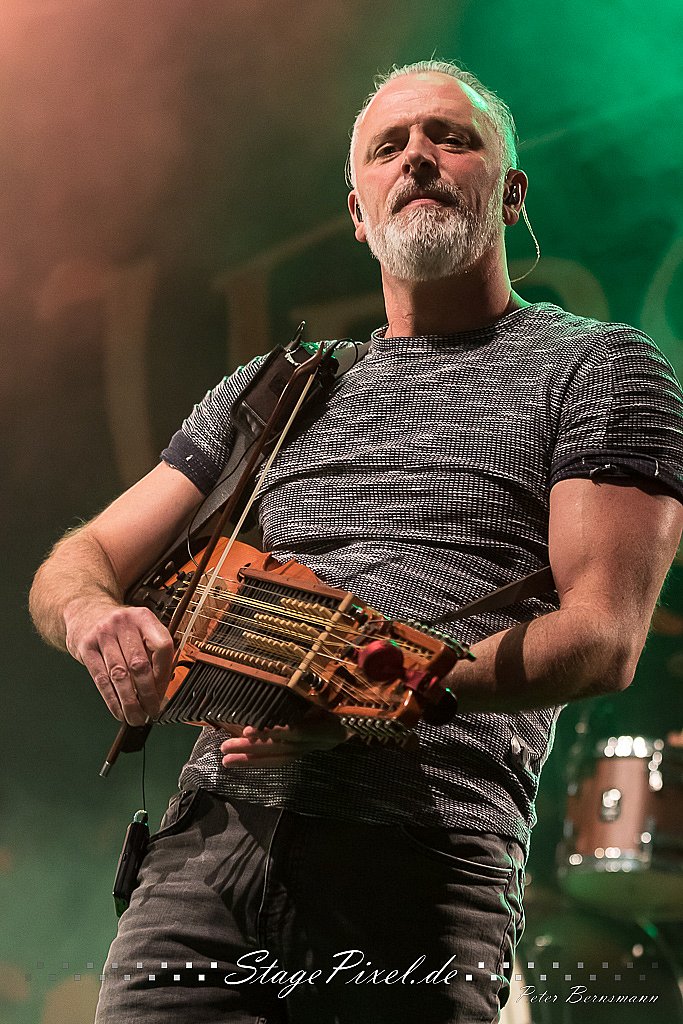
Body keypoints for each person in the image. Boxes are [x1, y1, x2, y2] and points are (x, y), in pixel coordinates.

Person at [29, 59, 683, 1024]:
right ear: (356, 213)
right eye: (388, 146)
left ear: (510, 194)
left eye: (449, 138)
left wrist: (365, 694)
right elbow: (78, 560)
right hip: (204, 855)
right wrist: (95, 618)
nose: (416, 156)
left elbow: (602, 637)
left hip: (420, 865)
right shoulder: (279, 387)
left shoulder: (596, 368)